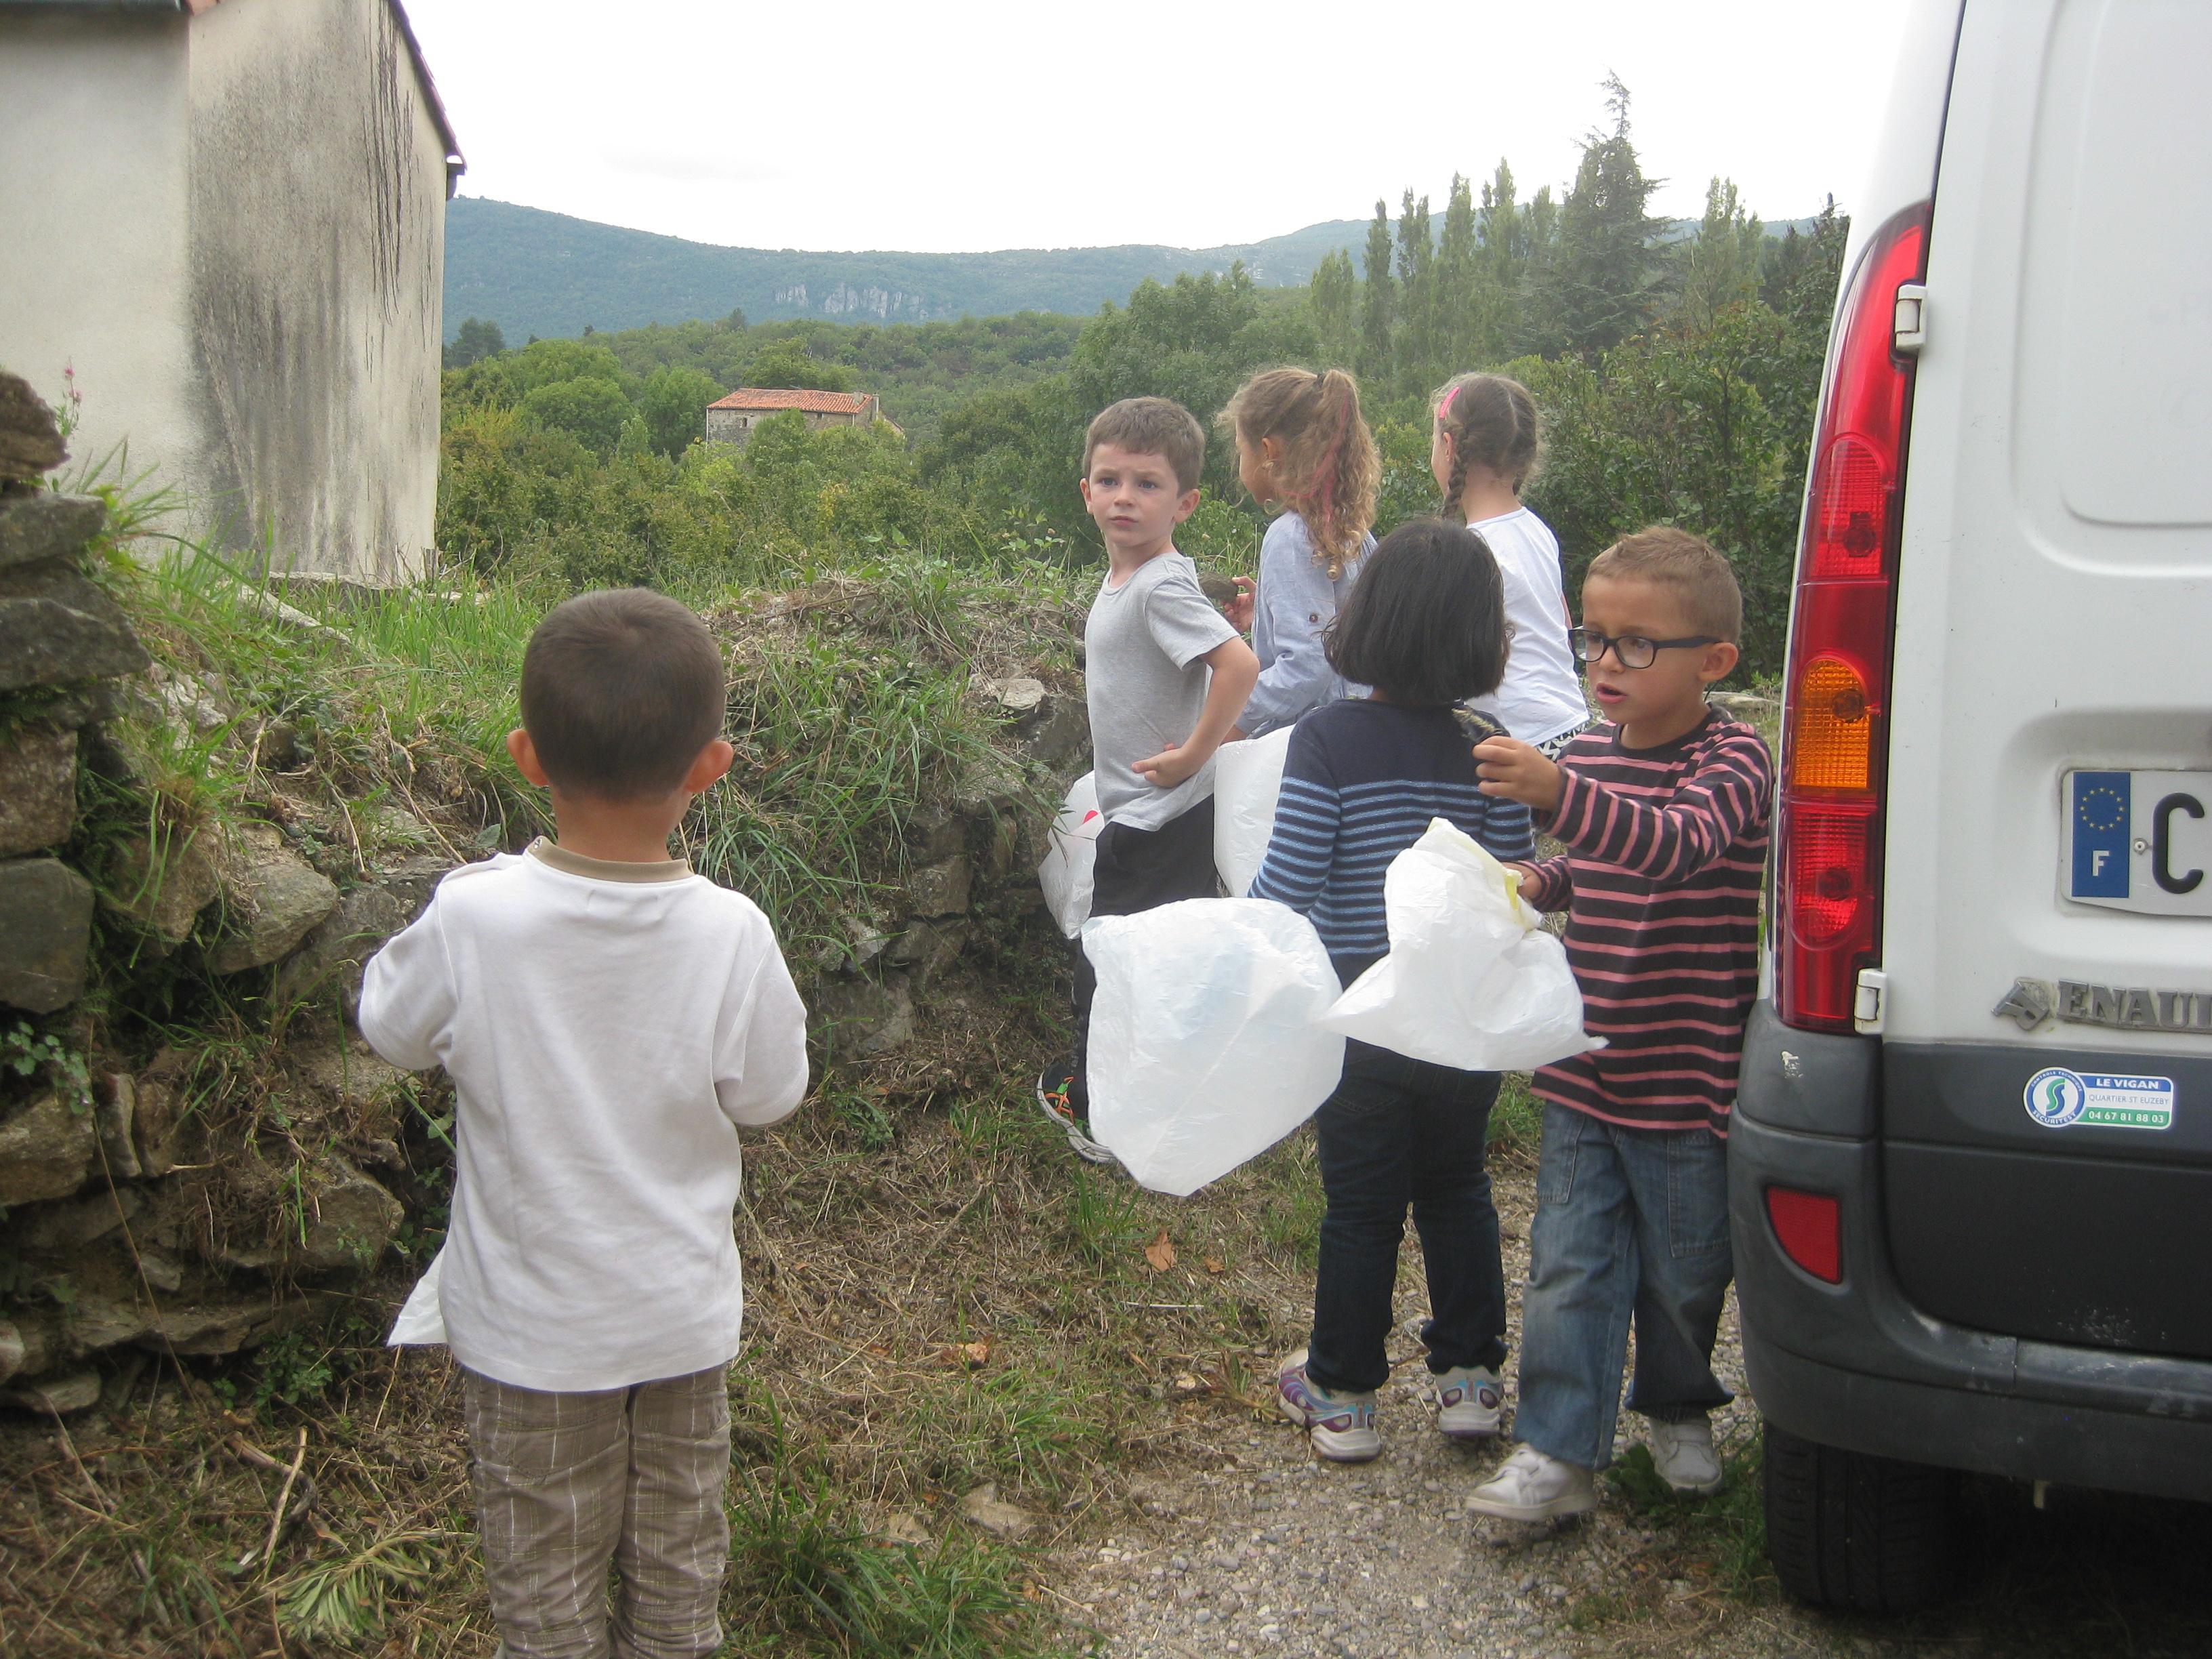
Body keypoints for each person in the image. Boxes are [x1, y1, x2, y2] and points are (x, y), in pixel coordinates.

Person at [359, 589, 809, 1658]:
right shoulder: (732, 934)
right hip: (678, 1319)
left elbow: (390, 1028)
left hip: (530, 1331)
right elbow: (769, 1095)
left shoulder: (476, 916)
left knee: (545, 1587)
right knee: (677, 1569)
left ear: (527, 755)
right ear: (711, 764)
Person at [1464, 527, 1774, 1520]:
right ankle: (1557, 1452)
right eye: (1593, 636)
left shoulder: (1733, 763)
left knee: (1686, 1271)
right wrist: (1531, 880)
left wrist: (1561, 798)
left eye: (1639, 643)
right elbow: (1593, 868)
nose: (1606, 662)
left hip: (1689, 1076)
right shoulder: (1592, 748)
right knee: (1568, 1262)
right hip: (1584, 1064)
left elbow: (1672, 849)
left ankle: (1677, 1402)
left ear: (1714, 662)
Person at [1248, 518, 1537, 1461]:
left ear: (1363, 620)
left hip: (1364, 1019)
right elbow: (1513, 888)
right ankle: (1471, 1382)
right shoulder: (1491, 742)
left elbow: (1288, 888)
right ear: (1480, 637)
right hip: (1459, 1018)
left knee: (1361, 1208)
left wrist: (1228, 926)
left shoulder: (1329, 738)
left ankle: (1343, 1394)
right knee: (1458, 1188)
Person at [1036, 397, 1261, 1162]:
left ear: (1186, 502)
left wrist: (1197, 751)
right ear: (1086, 492)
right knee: (1162, 958)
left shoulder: (1159, 586)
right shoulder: (1144, 580)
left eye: (1148, 483)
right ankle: (1170, 1089)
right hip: (1160, 809)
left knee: (1111, 958)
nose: (1125, 496)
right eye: (1110, 479)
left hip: (1156, 813)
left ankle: (1099, 1112)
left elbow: (1239, 666)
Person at [1432, 373, 1592, 758]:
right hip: (1571, 724)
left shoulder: (1470, 550)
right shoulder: (1536, 528)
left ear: (1449, 446)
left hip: (1518, 742)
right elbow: (1562, 622)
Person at [1216, 367, 1380, 737]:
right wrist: (1267, 614)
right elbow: (1337, 628)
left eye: (1242, 450)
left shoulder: (1288, 536)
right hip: (1361, 725)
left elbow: (1308, 664)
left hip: (1308, 741)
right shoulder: (1355, 532)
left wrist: (1230, 718)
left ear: (1268, 451)